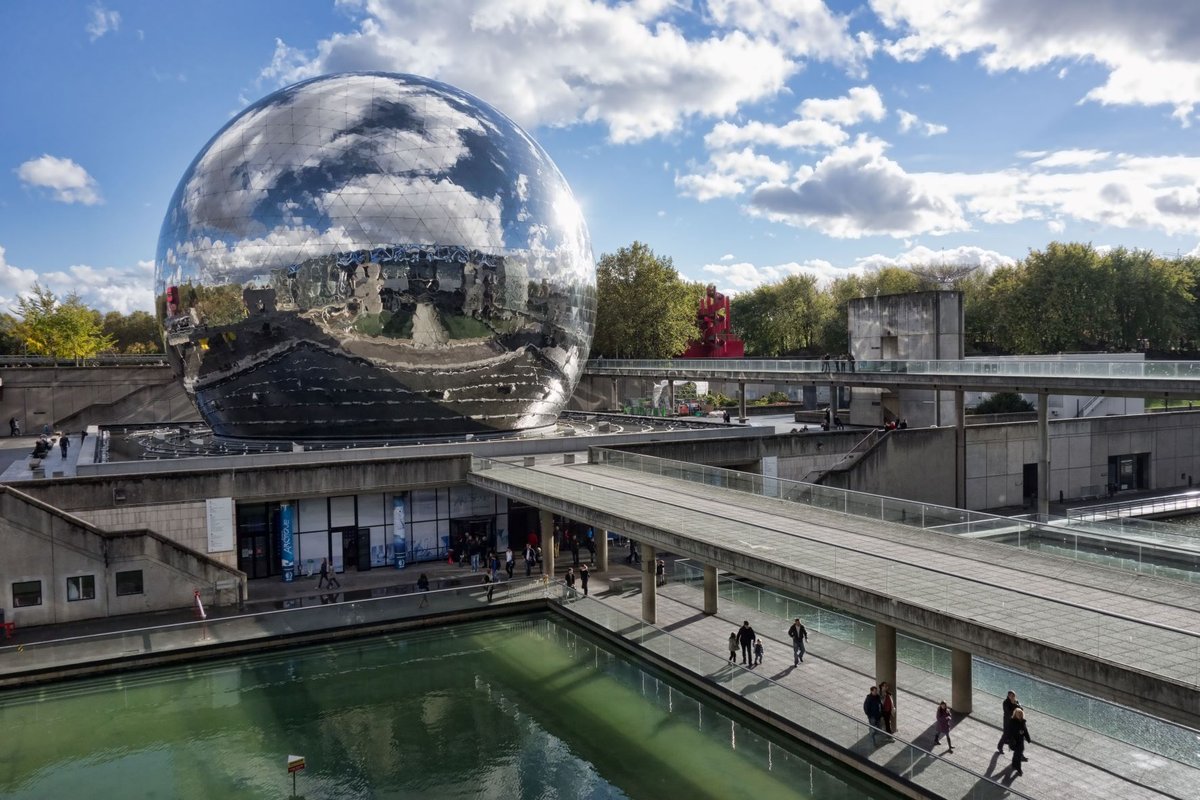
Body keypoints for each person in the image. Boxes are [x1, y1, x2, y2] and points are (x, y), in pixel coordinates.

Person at [1007, 708, 1031, 775]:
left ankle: (1014, 764)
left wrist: (1028, 739)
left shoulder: (1023, 721)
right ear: (1015, 714)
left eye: (1020, 713)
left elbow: (1025, 731)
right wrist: (1010, 740)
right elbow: (1009, 732)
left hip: (1020, 740)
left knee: (1018, 753)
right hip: (1015, 741)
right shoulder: (1012, 721)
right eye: (1018, 713)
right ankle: (1018, 768)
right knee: (1018, 754)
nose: (1020, 715)